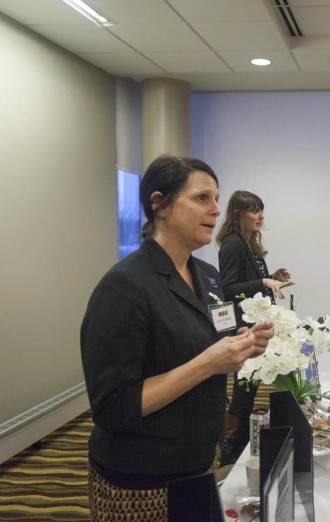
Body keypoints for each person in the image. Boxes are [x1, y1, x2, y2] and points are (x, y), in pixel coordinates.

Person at [81, 156, 273, 522]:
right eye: (202, 198)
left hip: (199, 460)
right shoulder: (124, 286)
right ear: (160, 204)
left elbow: (215, 338)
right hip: (142, 478)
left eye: (217, 199)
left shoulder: (208, 274)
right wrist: (209, 363)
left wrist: (245, 344)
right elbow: (113, 408)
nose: (217, 210)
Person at [216, 190, 293, 463]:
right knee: (244, 385)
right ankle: (230, 448)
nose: (260, 216)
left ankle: (239, 442)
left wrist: (272, 278)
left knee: (248, 385)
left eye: (261, 210)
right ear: (239, 215)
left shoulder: (248, 244)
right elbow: (228, 289)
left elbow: (247, 282)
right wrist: (262, 283)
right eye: (254, 211)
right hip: (242, 327)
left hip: (255, 326)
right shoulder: (233, 244)